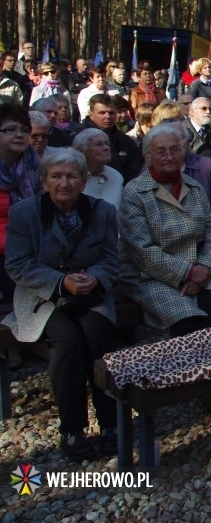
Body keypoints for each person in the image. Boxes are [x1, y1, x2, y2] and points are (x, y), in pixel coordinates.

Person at [1, 148, 120, 460]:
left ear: (83, 180)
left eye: (71, 176)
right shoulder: (24, 214)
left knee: (98, 337)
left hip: (91, 294)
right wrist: (59, 282)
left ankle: (111, 424)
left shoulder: (103, 211)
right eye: (56, 176)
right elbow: (18, 264)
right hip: (42, 296)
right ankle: (72, 429)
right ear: (44, 181)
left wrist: (94, 277)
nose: (64, 182)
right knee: (67, 341)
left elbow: (110, 258)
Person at [119, 123, 211, 334]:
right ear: (147, 157)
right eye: (161, 152)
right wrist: (187, 272)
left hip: (198, 268)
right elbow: (141, 250)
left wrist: (204, 269)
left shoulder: (195, 188)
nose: (169, 156)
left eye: (174, 150)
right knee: (188, 320)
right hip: (151, 275)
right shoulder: (134, 192)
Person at [0, 104, 43, 307]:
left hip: (28, 247)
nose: (19, 134)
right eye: (10, 129)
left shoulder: (34, 162)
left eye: (24, 130)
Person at [78, 93, 143, 182]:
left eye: (111, 113)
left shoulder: (126, 141)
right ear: (90, 114)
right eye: (102, 113)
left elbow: (134, 173)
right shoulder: (78, 139)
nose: (108, 116)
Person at [72, 128, 123, 210]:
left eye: (107, 143)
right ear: (80, 151)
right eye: (98, 144)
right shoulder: (71, 176)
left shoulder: (116, 176)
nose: (106, 148)